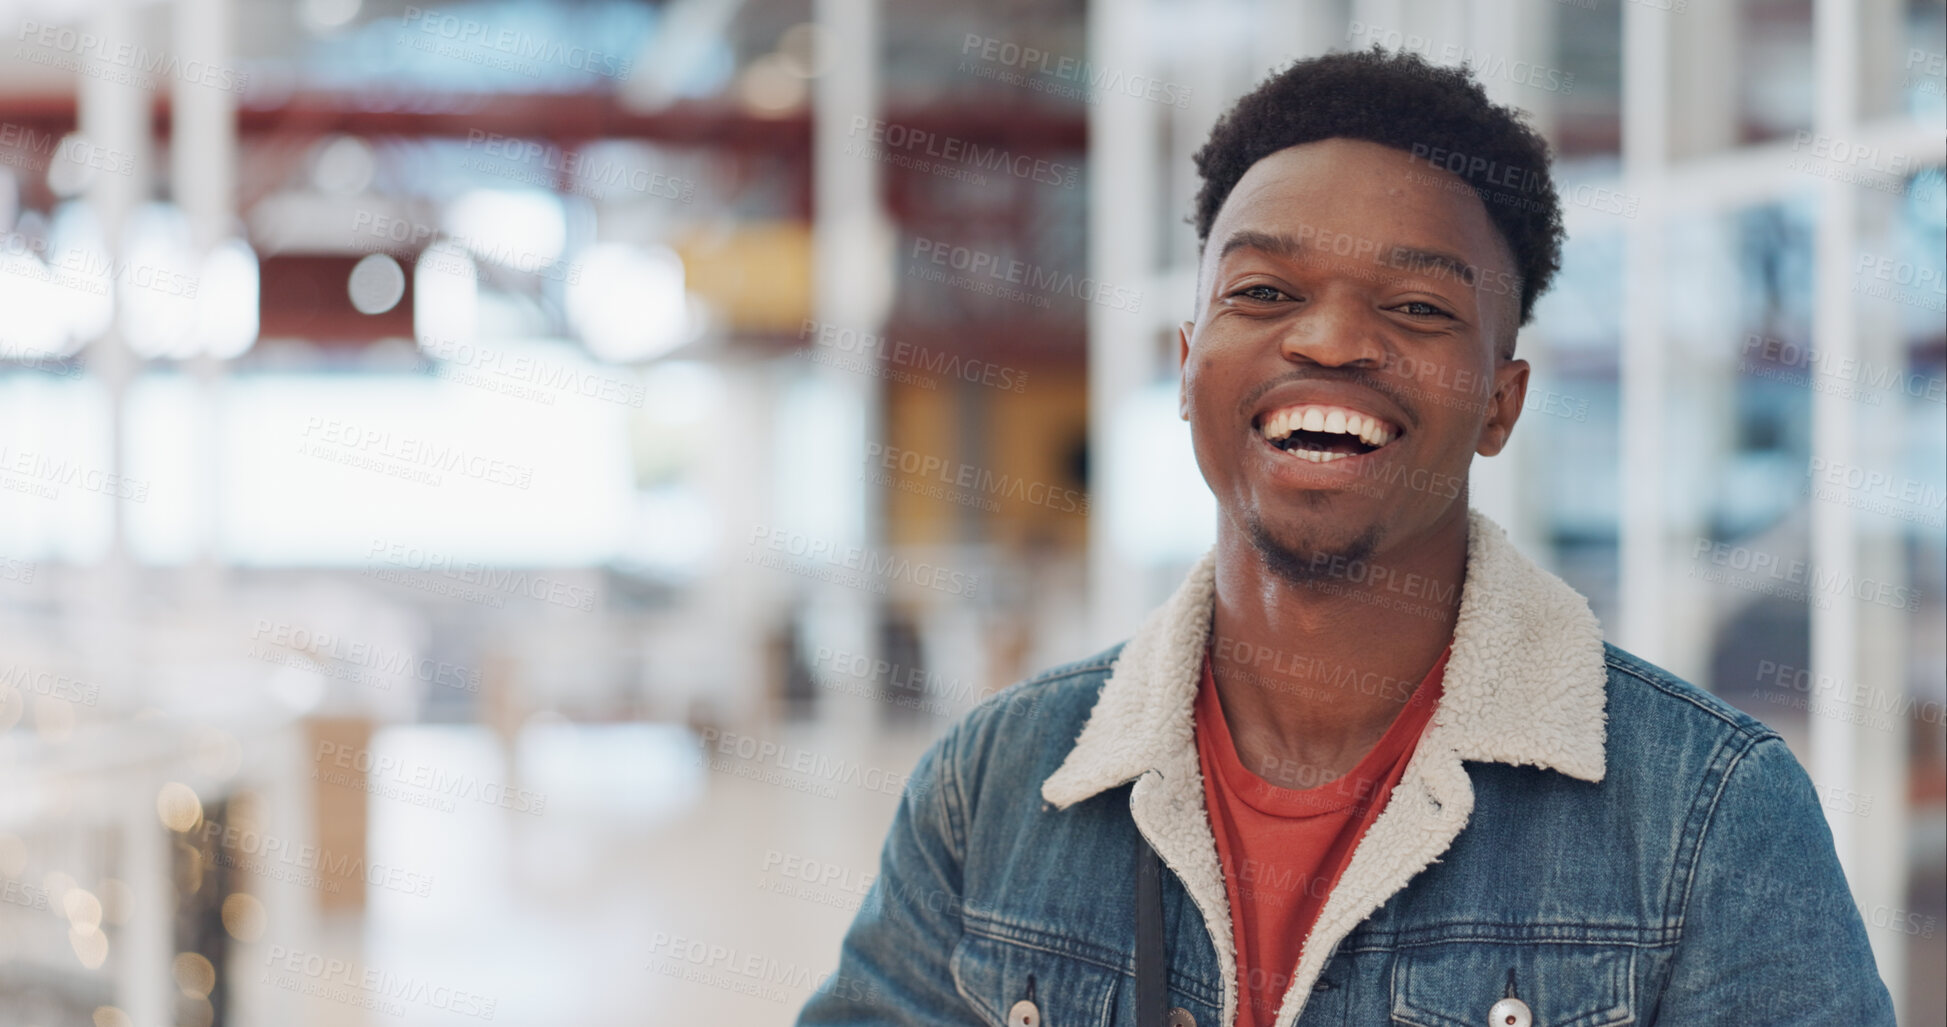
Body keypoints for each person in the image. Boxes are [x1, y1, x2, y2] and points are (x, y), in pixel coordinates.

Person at [797, 47, 1895, 1026]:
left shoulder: (1705, 816)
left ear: (1501, 403)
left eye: (1418, 307)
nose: (1327, 338)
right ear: (1189, 363)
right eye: (1266, 289)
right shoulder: (991, 787)